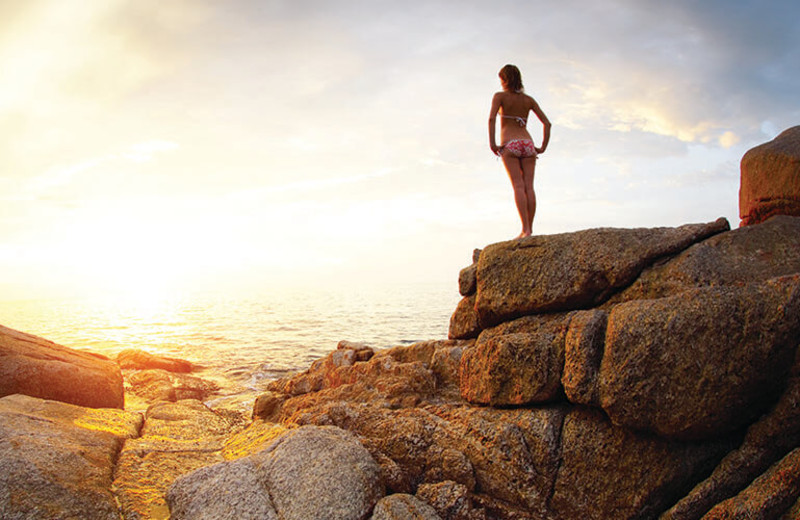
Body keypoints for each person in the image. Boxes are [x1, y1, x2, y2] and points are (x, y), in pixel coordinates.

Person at [488, 64, 551, 238]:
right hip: (528, 144)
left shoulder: (500, 96)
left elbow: (492, 119)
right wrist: (542, 147)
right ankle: (530, 228)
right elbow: (547, 123)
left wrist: (493, 144)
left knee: (518, 185)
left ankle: (525, 229)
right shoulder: (528, 100)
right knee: (529, 187)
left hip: (510, 144)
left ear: (505, 79)